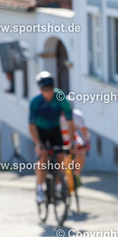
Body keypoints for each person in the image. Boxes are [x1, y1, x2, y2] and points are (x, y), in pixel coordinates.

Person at [28, 71, 74, 203]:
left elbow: (70, 121)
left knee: (60, 156)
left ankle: (59, 186)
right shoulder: (35, 102)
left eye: (50, 89)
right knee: (42, 157)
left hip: (55, 129)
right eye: (45, 90)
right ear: (41, 90)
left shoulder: (60, 97)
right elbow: (31, 126)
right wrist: (37, 143)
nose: (49, 93)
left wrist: (71, 141)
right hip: (40, 130)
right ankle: (39, 188)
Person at [59, 98, 90, 186]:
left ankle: (76, 174)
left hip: (73, 138)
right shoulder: (56, 115)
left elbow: (84, 130)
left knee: (81, 153)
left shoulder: (77, 116)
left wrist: (86, 141)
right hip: (59, 139)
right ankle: (59, 179)